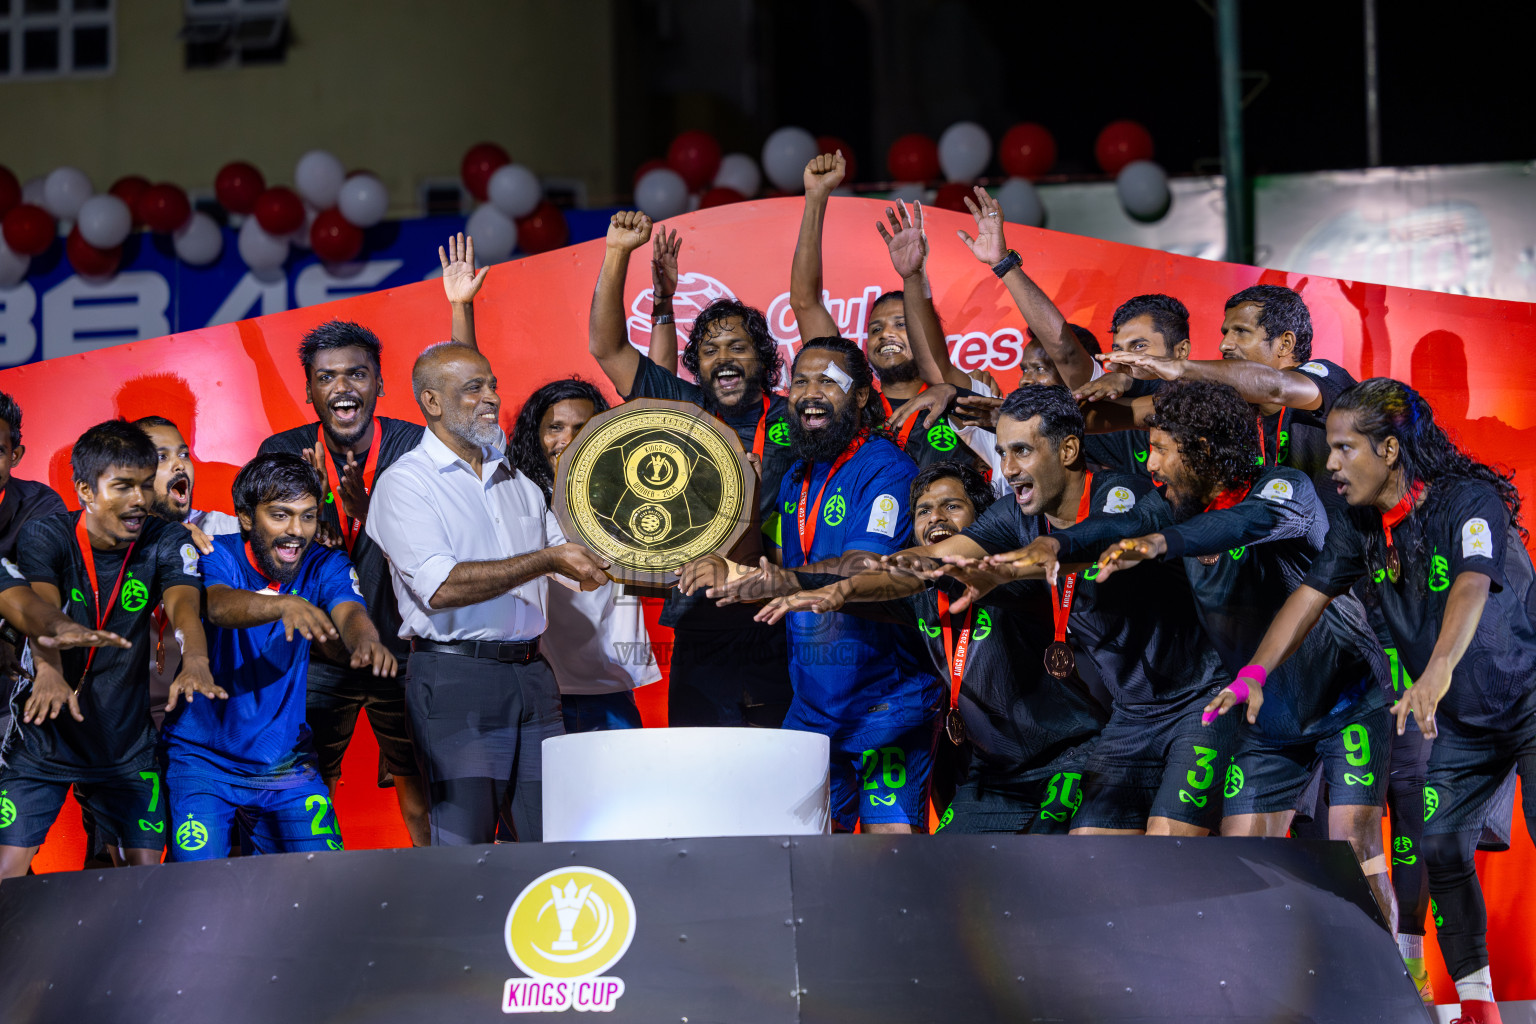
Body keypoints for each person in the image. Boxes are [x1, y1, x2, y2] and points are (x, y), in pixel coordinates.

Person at [1035, 380, 1396, 925]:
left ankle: (1388, 994)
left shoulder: (1286, 488)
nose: (1149, 464)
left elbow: (1238, 524)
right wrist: (1055, 544)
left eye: (1160, 449)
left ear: (1202, 451)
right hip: (1268, 717)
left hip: (1347, 701)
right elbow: (1120, 523)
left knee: (1354, 851)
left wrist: (1159, 543)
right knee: (1242, 862)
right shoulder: (1173, 503)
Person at [1236, 379, 1533, 1024]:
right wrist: (1255, 671)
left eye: (1344, 449)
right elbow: (1310, 597)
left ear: (1391, 449)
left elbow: (1472, 585)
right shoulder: (1356, 524)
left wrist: (1435, 672)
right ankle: (1481, 1012)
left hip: (1527, 699)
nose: (1332, 463)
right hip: (1458, 719)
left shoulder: (1467, 499)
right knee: (1443, 854)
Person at [860, 385, 1231, 837]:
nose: (1009, 469)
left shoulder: (1124, 494)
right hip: (1133, 715)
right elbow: (937, 558)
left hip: (1202, 697)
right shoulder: (1014, 520)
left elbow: (1103, 535)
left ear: (1069, 449)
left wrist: (1029, 560)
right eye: (1002, 453)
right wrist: (821, 584)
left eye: (1020, 451)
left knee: (1168, 847)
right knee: (1088, 853)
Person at [756, 460, 1108, 834]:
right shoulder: (921, 598)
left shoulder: (1008, 579)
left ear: (984, 521)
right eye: (924, 511)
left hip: (1069, 757)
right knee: (948, 874)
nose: (935, 518)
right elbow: (848, 579)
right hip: (994, 775)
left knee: (1048, 865)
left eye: (952, 506)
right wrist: (768, 579)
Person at [685, 337, 941, 833]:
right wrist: (731, 562)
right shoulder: (796, 477)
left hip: (886, 704)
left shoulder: (888, 469)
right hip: (814, 707)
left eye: (828, 381)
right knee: (802, 853)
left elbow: (863, 566)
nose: (809, 392)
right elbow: (783, 564)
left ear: (862, 396)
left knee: (891, 857)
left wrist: (775, 581)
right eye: (800, 381)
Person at [366, 342, 609, 845]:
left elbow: (574, 564)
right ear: (431, 402)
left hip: (534, 677)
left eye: (493, 384)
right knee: (465, 844)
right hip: (456, 679)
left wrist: (656, 549)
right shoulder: (406, 484)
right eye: (474, 388)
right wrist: (545, 561)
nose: (492, 397)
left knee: (549, 837)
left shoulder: (517, 479)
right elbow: (441, 586)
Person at [587, 210, 794, 728]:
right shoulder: (682, 406)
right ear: (695, 365)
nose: (723, 358)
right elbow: (607, 348)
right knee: (703, 775)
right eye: (709, 350)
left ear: (763, 358)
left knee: (775, 783)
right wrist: (617, 253)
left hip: (782, 619)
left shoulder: (798, 416)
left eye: (737, 347)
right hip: (701, 624)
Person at [0, 421, 223, 879]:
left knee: (142, 883)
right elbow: (40, 610)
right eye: (122, 487)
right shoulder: (47, 535)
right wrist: (47, 671)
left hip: (124, 746)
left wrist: (196, 660)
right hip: (45, 737)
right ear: (85, 489)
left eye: (144, 485)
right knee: (5, 874)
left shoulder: (166, 540)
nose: (139, 499)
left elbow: (184, 608)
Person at [163, 453, 396, 861]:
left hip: (285, 765)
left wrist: (366, 643)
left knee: (322, 885)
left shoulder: (326, 562)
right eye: (280, 515)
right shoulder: (218, 552)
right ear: (247, 518)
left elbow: (351, 611)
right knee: (197, 895)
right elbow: (218, 605)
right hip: (202, 762)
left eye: (307, 517)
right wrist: (283, 605)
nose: (296, 532)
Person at [257, 319, 429, 847]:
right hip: (317, 655)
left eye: (357, 374)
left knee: (421, 784)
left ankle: (442, 885)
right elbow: (262, 554)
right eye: (327, 378)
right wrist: (306, 540)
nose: (343, 388)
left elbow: (442, 545)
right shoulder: (282, 452)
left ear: (380, 383)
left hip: (404, 651)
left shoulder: (419, 445)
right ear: (310, 390)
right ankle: (307, 895)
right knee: (308, 786)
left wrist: (368, 513)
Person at [794, 154, 967, 470]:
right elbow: (806, 303)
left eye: (901, 324)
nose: (885, 334)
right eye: (875, 329)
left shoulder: (956, 397)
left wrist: (914, 275)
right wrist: (816, 199)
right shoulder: (853, 398)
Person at [507, 378, 661, 732]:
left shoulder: (632, 495)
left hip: (609, 684)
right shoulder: (518, 496)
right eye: (555, 428)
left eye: (581, 428)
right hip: (540, 686)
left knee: (621, 787)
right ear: (535, 436)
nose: (567, 439)